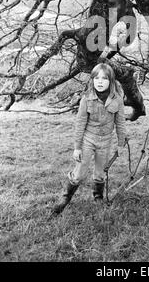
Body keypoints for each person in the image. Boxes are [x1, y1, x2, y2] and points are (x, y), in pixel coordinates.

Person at [52, 63, 127, 214]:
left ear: (111, 81)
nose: (100, 81)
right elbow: (80, 124)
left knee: (101, 171)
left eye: (104, 78)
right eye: (97, 78)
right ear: (92, 80)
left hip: (105, 141)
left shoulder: (117, 99)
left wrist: (120, 143)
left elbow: (120, 123)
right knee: (80, 171)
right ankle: (65, 198)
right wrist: (77, 147)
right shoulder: (86, 99)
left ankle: (98, 197)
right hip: (88, 140)